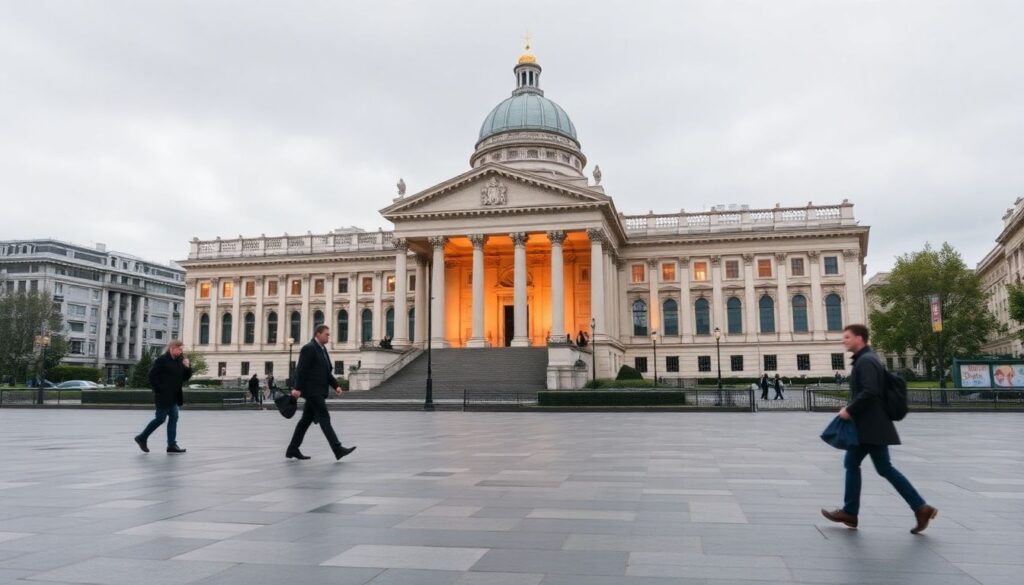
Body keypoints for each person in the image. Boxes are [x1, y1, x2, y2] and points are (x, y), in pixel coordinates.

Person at [821, 324, 937, 534]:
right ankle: (920, 508)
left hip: (870, 427)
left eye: (847, 337)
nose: (843, 340)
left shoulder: (866, 361)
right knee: (875, 466)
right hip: (872, 426)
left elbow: (870, 392)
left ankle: (852, 512)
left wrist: (849, 410)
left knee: (864, 465)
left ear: (860, 338)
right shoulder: (867, 359)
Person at [286, 325, 356, 461]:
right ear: (317, 334)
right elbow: (301, 370)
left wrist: (336, 385)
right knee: (325, 418)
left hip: (318, 391)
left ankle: (292, 449)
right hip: (313, 392)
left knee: (305, 421)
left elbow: (326, 372)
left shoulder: (322, 349)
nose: (328, 337)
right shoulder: (309, 348)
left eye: (329, 334)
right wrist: (297, 388)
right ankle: (338, 449)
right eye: (326, 334)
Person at [134, 340, 191, 454]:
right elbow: (152, 375)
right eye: (179, 349)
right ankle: (142, 437)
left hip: (174, 396)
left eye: (182, 349)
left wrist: (187, 367)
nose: (181, 351)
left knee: (174, 418)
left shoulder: (179, 361)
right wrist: (159, 389)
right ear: (172, 348)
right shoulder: (162, 360)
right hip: (163, 396)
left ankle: (171, 445)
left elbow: (185, 378)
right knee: (160, 418)